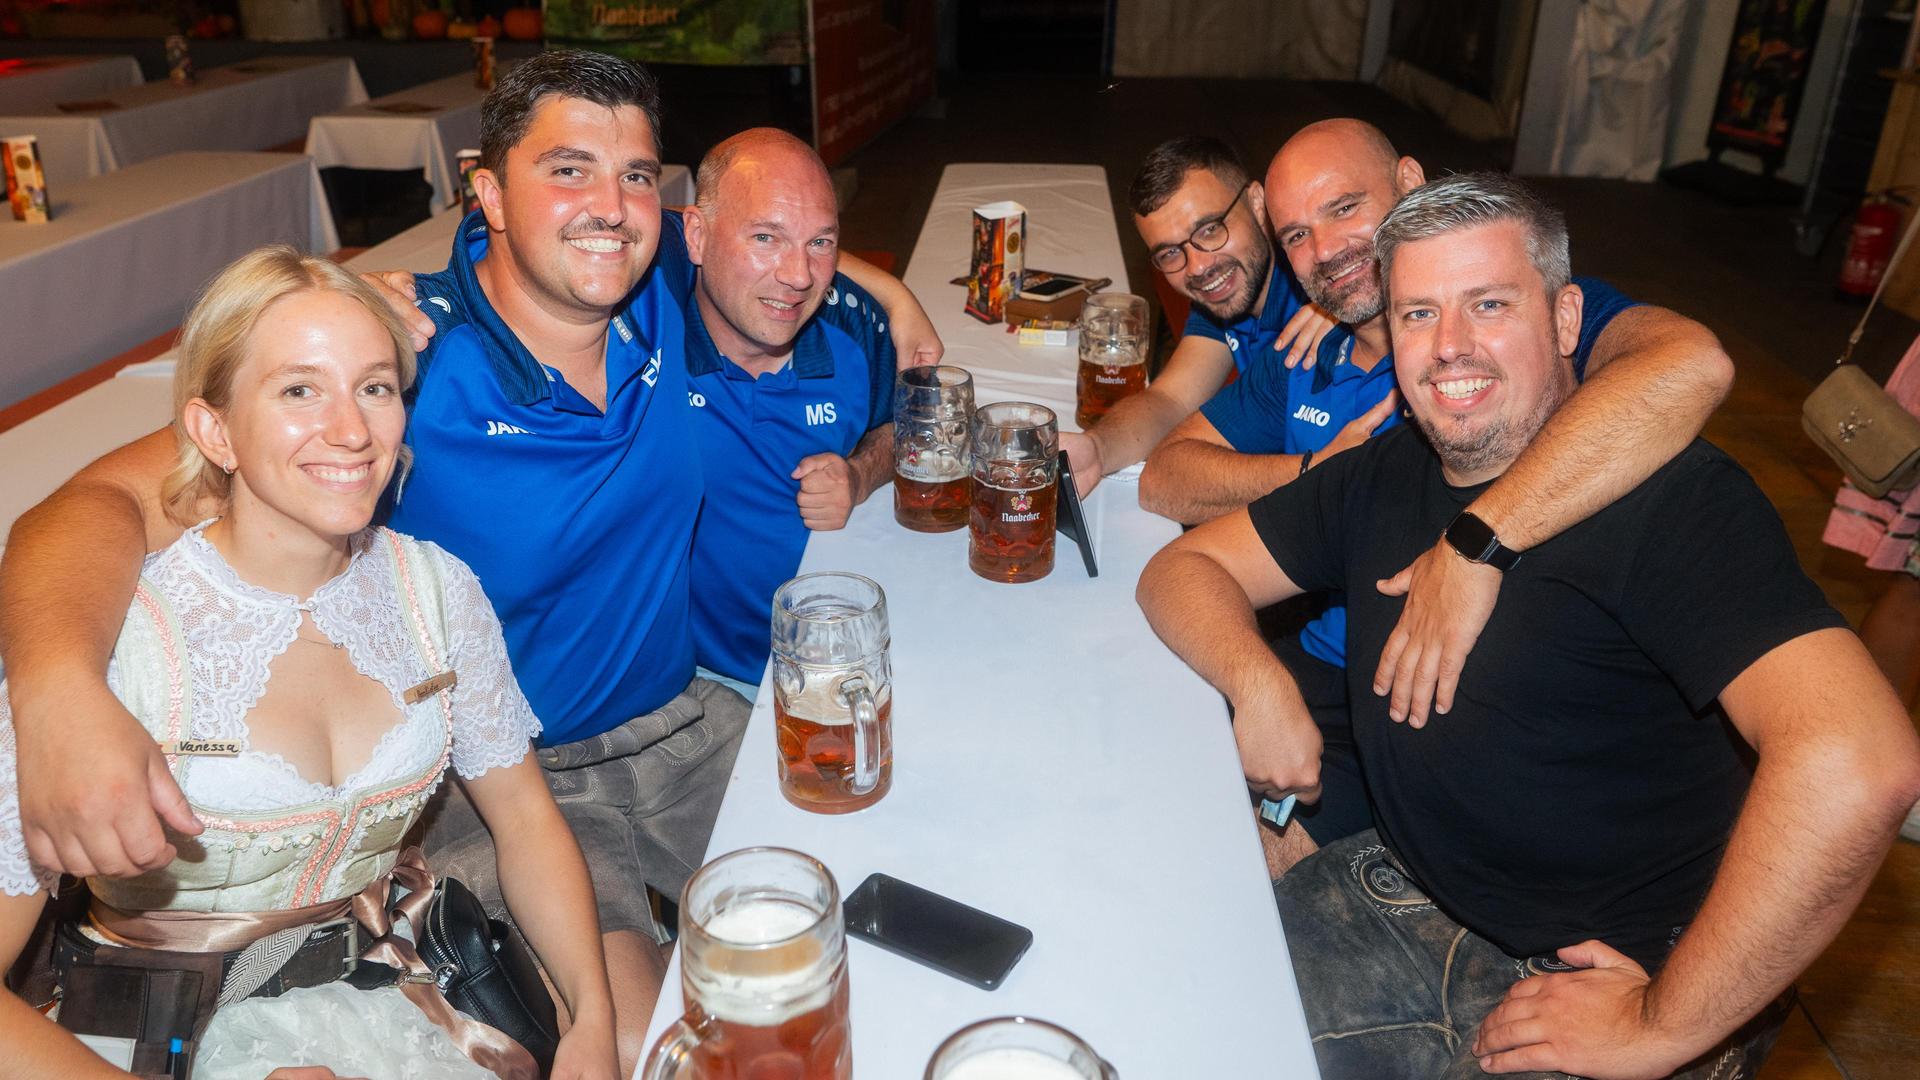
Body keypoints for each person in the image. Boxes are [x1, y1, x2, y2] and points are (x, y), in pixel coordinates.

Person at [0, 52, 940, 1074]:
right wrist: (54, 689)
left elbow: (775, 248)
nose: (612, 206)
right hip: (520, 784)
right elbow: (95, 504)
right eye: (569, 171)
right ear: (486, 194)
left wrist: (881, 287)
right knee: (652, 1041)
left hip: (684, 724)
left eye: (636, 176)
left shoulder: (654, 283)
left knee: (884, 912)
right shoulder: (402, 363)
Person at [1136, 173, 1920, 1080]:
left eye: (1490, 304)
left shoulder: (1675, 500)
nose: (1451, 348)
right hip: (1416, 900)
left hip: (1615, 974)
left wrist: (1660, 1024)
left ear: (1565, 317)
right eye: (1419, 314)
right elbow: (1183, 569)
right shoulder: (1390, 468)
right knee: (1162, 995)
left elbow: (1862, 760)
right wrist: (1257, 682)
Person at [0, 247, 616, 1080]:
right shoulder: (118, 641)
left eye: (375, 387)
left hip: (386, 992)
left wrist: (592, 1017)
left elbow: (527, 820)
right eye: (299, 390)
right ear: (214, 429)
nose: (353, 431)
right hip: (153, 1025)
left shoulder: (435, 591)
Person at [1139, 120, 1734, 871]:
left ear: (1412, 185)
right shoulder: (1317, 342)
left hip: (1482, 726)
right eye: (1295, 234)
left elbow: (1690, 364)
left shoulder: (1521, 313)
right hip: (1337, 674)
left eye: (1346, 207)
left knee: (1211, 868)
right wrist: (1315, 470)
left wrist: (1474, 544)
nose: (1324, 250)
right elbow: (1168, 480)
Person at [681, 128, 896, 688]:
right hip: (697, 684)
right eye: (765, 237)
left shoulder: (854, 342)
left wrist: (858, 473)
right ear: (697, 236)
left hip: (844, 660)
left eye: (820, 243)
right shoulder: (636, 344)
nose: (799, 276)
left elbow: (903, 429)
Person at [1056, 137, 1336, 499]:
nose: (1199, 267)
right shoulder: (1225, 297)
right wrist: (1097, 449)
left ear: (1257, 203)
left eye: (1210, 230)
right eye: (1171, 253)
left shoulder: (1324, 290)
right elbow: (1170, 400)